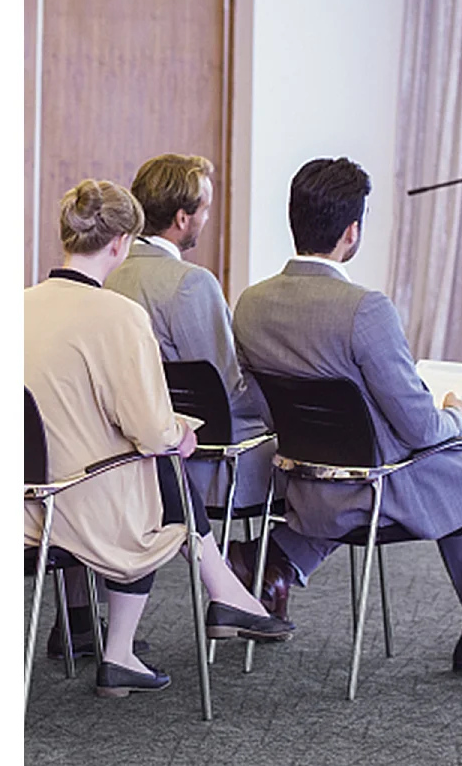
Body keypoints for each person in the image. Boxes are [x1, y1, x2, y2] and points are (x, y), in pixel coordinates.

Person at [232, 157, 462, 673]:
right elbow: (421, 430)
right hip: (383, 488)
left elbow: (265, 405)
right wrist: (454, 413)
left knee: (458, 468)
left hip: (310, 487)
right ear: (353, 232)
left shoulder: (251, 305)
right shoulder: (364, 309)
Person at [25, 178, 294, 698]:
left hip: (24, 497)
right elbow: (149, 430)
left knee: (153, 462)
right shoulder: (119, 316)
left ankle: (218, 597)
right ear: (122, 244)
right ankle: (124, 651)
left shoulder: (18, 306)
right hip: (83, 503)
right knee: (161, 465)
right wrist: (180, 432)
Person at [104, 153, 337, 622]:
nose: (206, 220)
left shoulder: (110, 272)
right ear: (183, 217)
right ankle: (271, 561)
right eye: (205, 209)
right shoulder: (190, 284)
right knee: (329, 457)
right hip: (207, 458)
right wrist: (284, 405)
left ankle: (265, 567)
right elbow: (226, 396)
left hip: (121, 448)